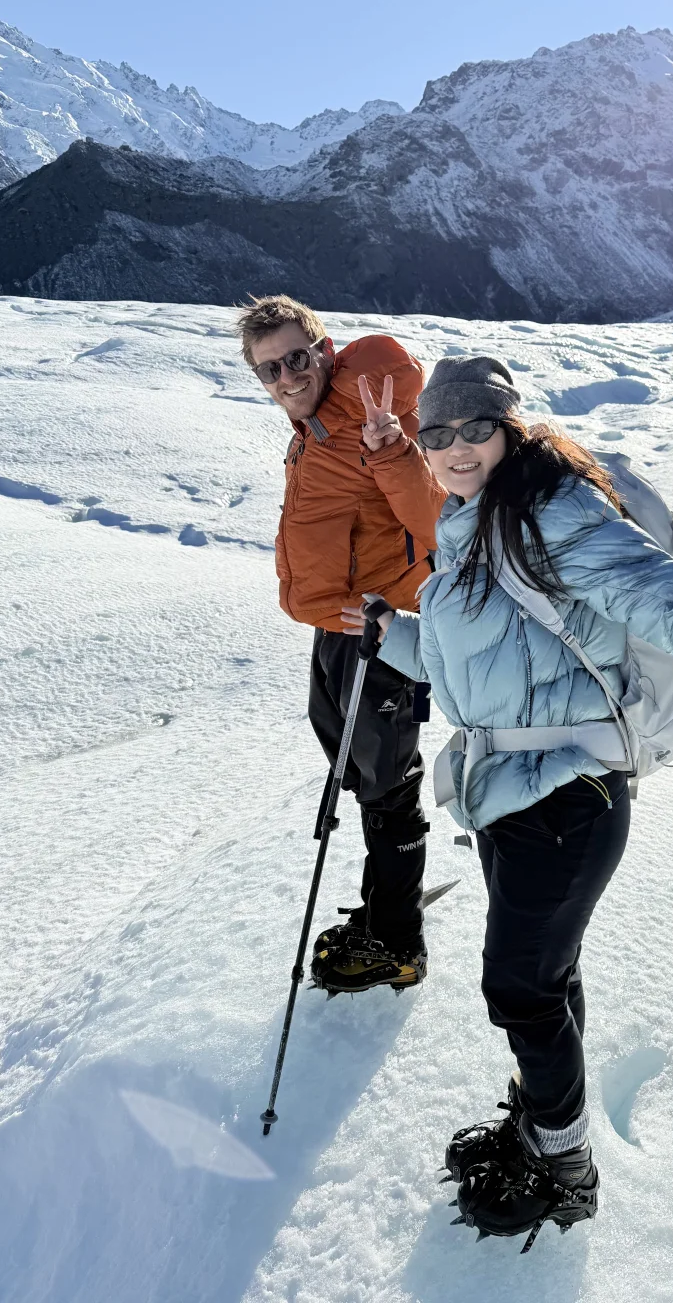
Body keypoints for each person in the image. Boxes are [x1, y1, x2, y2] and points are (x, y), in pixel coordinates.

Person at [342, 355, 673, 1246]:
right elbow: (469, 678)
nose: (451, 447)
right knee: (544, 977)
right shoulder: (469, 523)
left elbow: (658, 597)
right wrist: (393, 633)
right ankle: (538, 1119)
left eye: (473, 427)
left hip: (569, 798)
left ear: (509, 428)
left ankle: (565, 1169)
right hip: (509, 793)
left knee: (519, 988)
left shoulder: (551, 510)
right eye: (434, 433)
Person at [238, 295, 446, 993]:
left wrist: (392, 449)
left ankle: (399, 945)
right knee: (359, 777)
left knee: (389, 791)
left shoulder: (372, 418)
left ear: (324, 352)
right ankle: (386, 907)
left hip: (381, 638)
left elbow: (437, 517)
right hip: (337, 630)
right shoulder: (316, 425)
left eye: (297, 359)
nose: (286, 378)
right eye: (268, 370)